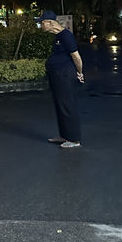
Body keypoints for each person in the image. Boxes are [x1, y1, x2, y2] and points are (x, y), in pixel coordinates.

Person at [37, 10, 84, 148]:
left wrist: (80, 72)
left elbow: (76, 56)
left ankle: (74, 139)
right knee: (59, 105)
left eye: (42, 23)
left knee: (67, 105)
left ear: (50, 23)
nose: (41, 26)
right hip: (57, 75)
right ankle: (64, 135)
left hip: (65, 75)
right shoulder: (57, 36)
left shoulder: (66, 36)